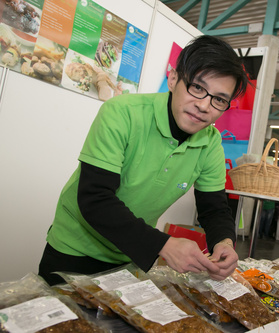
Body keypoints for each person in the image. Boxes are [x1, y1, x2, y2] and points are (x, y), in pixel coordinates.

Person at [38, 35, 249, 285]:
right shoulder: (122, 112)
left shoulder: (211, 141)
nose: (204, 106)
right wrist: (164, 245)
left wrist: (224, 242)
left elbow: (213, 207)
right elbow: (95, 198)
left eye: (219, 99)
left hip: (131, 256)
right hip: (73, 250)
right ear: (173, 79)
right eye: (198, 88)